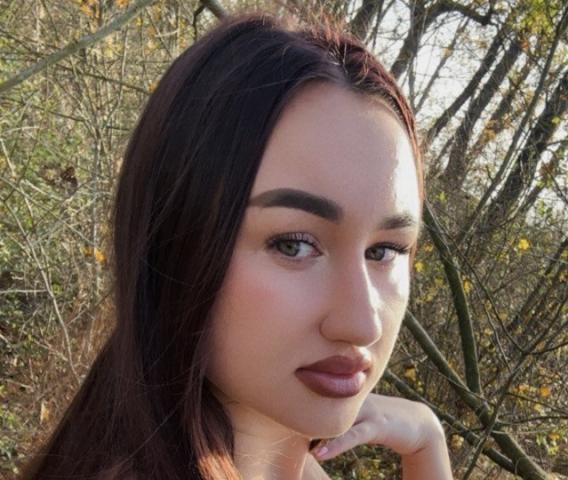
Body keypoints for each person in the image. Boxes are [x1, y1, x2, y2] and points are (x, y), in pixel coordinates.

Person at [20, 10, 453, 480]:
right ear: (176, 244)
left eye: (384, 251)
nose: (362, 324)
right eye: (294, 245)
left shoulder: (287, 459)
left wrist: (427, 444)